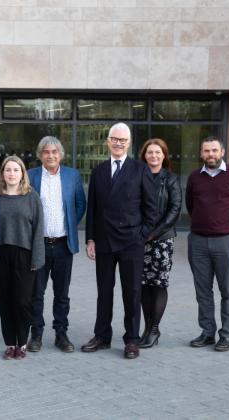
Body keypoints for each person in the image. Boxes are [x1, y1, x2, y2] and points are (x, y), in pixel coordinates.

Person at [82, 122, 157, 359]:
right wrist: (90, 239)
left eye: (122, 140)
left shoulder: (140, 169)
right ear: (107, 141)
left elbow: (151, 208)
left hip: (131, 242)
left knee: (132, 292)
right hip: (104, 241)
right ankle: (102, 336)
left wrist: (142, 235)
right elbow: (92, 208)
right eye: (114, 139)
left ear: (129, 143)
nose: (118, 143)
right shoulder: (99, 171)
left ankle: (131, 339)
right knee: (104, 291)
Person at [186, 136, 229, 352]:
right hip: (197, 242)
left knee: (228, 290)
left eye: (214, 150)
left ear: (222, 152)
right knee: (203, 291)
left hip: (225, 242)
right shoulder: (195, 178)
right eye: (206, 151)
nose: (211, 155)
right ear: (201, 154)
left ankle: (226, 336)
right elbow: (190, 205)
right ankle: (207, 333)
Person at [27, 136, 86, 353]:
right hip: (39, 245)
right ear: (40, 155)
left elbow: (80, 204)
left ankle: (61, 334)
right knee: (37, 293)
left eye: (54, 152)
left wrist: (70, 225)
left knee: (62, 293)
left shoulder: (72, 176)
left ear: (60, 154)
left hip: (63, 245)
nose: (50, 155)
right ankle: (36, 334)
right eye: (46, 152)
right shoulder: (31, 176)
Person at [0, 156, 44, 361]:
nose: (11, 173)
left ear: (23, 174)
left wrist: (37, 259)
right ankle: (10, 344)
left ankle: (22, 342)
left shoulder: (31, 197)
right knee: (4, 300)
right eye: (8, 170)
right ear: (2, 173)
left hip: (25, 253)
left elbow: (39, 229)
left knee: (22, 301)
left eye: (16, 170)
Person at [137, 138, 182, 348]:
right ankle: (147, 328)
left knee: (158, 284)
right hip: (139, 240)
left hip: (161, 240)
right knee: (143, 285)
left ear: (164, 156)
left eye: (158, 152)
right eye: (150, 152)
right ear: (144, 155)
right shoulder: (136, 177)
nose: (153, 156)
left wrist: (153, 234)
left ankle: (154, 330)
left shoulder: (170, 179)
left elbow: (174, 211)